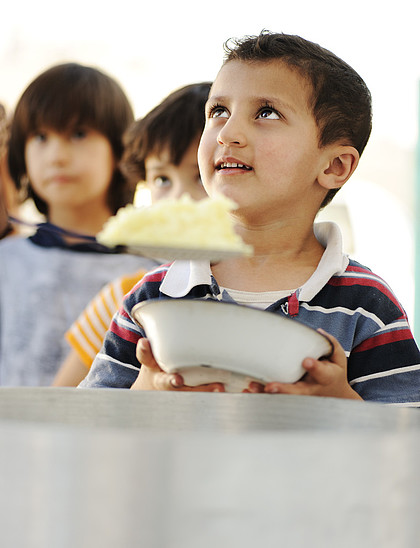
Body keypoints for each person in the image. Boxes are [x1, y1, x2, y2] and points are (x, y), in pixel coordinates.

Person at [79, 32, 420, 405]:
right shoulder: (152, 298)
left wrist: (343, 401)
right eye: (218, 111)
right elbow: (91, 422)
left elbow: (405, 440)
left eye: (266, 113)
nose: (228, 133)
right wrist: (145, 389)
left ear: (335, 165)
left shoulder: (367, 305)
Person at [0, 63, 157, 386]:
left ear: (119, 148)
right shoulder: (6, 260)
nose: (57, 155)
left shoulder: (150, 273)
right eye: (41, 137)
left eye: (78, 134)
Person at [52, 82, 211, 386]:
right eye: (162, 179)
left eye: (201, 177)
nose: (179, 199)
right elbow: (59, 405)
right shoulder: (124, 296)